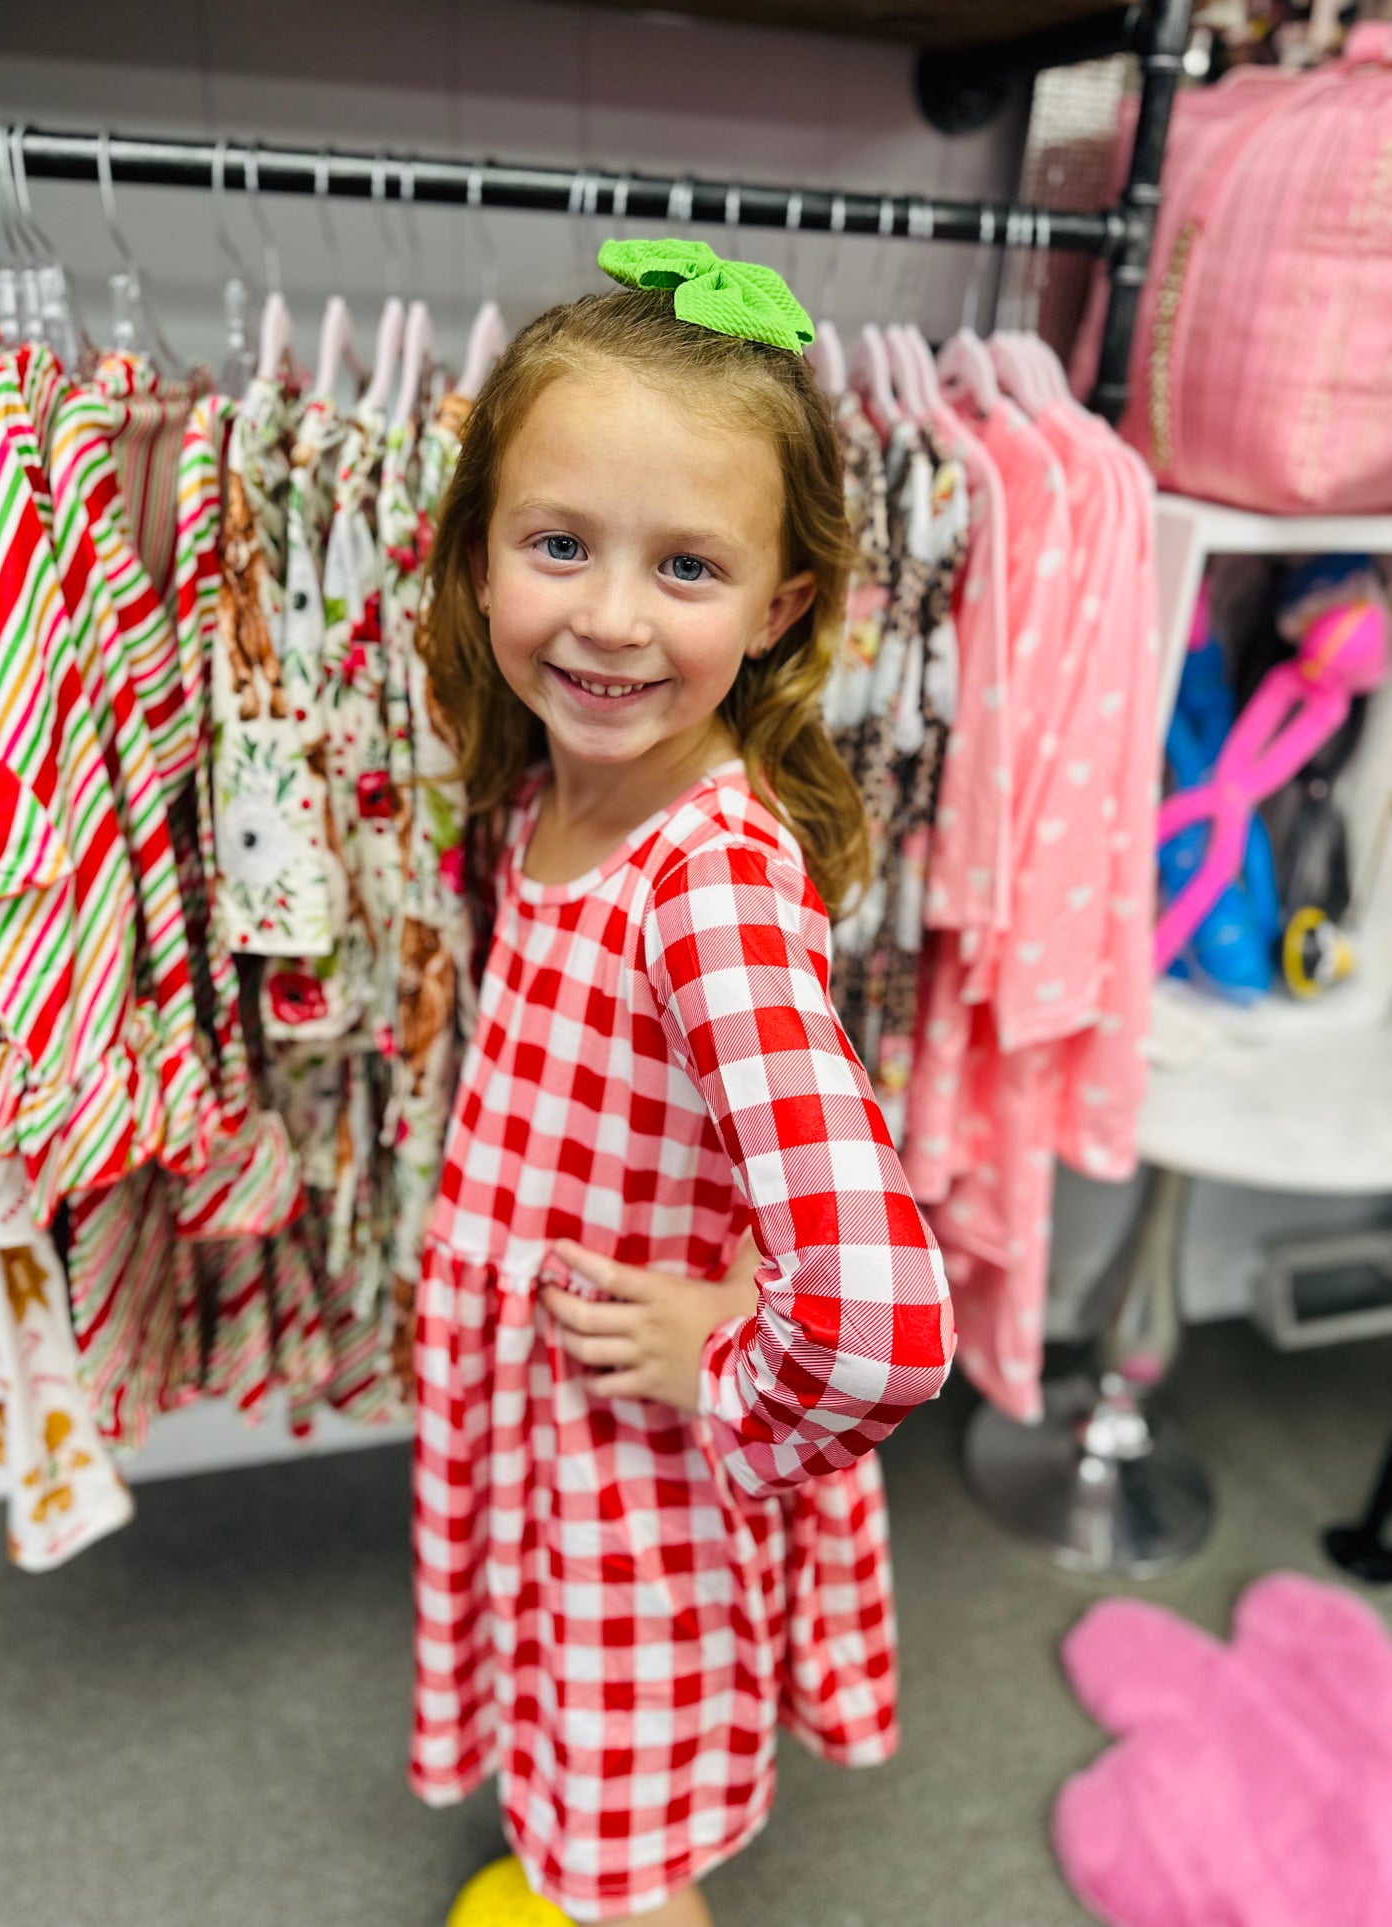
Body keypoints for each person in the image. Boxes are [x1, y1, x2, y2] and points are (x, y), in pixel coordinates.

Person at [410, 238, 955, 1927]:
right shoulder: (553, 790)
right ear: (479, 548)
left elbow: (875, 1313)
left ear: (780, 605)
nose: (611, 618)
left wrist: (724, 1350)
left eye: (689, 568)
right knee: (570, 1765)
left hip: (636, 1462)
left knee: (629, 1849)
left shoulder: (705, 887)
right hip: (552, 1418)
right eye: (559, 543)